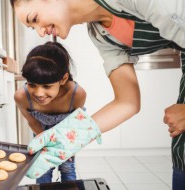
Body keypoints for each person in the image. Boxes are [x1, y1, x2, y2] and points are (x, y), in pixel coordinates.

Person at [10, 0, 185, 189]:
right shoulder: (100, 35)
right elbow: (127, 102)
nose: (40, 32)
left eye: (34, 18)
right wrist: (71, 136)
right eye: (31, 27)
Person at [14, 41, 86, 183]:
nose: (39, 93)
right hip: (41, 134)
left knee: (67, 168)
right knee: (42, 170)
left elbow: (75, 124)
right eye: (32, 84)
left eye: (47, 86)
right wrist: (45, 145)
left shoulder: (77, 94)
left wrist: (68, 147)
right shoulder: (21, 97)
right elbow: (32, 121)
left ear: (63, 79)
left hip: (67, 136)